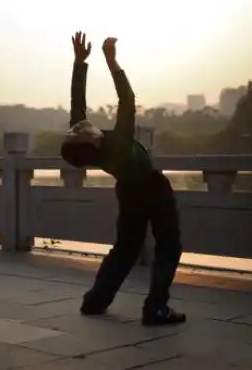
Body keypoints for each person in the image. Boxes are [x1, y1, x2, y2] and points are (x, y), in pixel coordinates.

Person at [61, 31, 186, 326]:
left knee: (126, 249)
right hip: (152, 188)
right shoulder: (117, 144)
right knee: (169, 246)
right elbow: (126, 99)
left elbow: (77, 102)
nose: (80, 127)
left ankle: (96, 300)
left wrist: (80, 64)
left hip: (128, 193)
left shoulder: (93, 146)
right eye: (79, 131)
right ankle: (156, 308)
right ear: (90, 144)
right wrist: (112, 62)